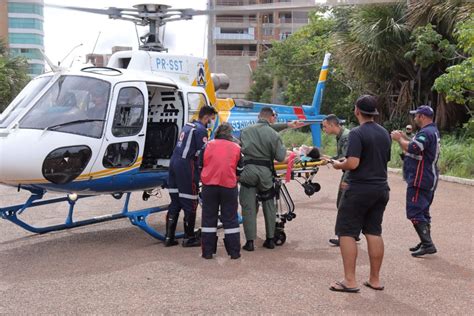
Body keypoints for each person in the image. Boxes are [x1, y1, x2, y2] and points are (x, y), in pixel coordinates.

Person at [329, 95, 391, 293]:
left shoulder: (357, 133)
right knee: (373, 231)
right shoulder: (385, 133)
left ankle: (350, 280)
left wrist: (340, 165)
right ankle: (375, 279)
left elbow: (353, 163)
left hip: (359, 189)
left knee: (346, 232)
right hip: (381, 188)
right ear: (374, 112)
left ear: (357, 111)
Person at [164, 105, 217, 247]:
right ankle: (189, 238)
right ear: (206, 117)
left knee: (175, 201)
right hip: (186, 165)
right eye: (212, 119)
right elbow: (203, 154)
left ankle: (169, 237)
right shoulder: (201, 130)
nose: (212, 122)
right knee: (190, 201)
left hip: (174, 162)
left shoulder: (188, 125)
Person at [391, 105, 440, 257]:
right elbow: (416, 145)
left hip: (420, 178)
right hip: (427, 177)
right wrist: (404, 138)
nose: (415, 118)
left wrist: (399, 139)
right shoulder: (431, 131)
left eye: (416, 115)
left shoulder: (426, 132)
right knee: (423, 211)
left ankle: (427, 244)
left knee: (415, 211)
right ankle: (425, 240)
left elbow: (413, 148)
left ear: (422, 117)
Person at [239, 107, 290, 251]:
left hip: (248, 172)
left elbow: (240, 149)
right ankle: (270, 240)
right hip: (265, 174)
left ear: (259, 116)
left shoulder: (246, 131)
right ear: (271, 117)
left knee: (248, 206)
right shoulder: (274, 134)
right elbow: (280, 157)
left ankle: (249, 242)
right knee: (269, 204)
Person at [199, 123, 243, 260]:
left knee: (208, 219)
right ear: (230, 134)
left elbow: (200, 164)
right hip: (229, 187)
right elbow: (240, 169)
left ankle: (207, 252)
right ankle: (234, 252)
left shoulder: (207, 146)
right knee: (230, 219)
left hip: (209, 186)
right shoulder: (237, 148)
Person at [321, 114, 351, 247]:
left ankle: (344, 236)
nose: (324, 129)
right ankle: (351, 234)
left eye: (325, 126)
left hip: (350, 174)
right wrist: (326, 158)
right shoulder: (342, 135)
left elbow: (345, 159)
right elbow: (340, 156)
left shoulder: (345, 137)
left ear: (333, 125)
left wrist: (330, 161)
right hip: (350, 172)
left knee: (343, 204)